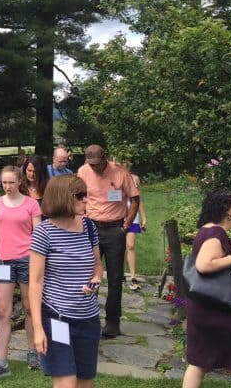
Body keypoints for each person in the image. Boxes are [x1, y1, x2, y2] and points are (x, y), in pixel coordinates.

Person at [29, 175, 103, 388]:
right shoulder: (44, 233)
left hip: (88, 319)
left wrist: (95, 279)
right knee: (67, 382)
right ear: (63, 197)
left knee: (84, 383)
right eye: (80, 196)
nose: (86, 200)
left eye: (86, 195)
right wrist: (38, 328)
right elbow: (35, 282)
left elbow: (97, 266)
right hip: (57, 318)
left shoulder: (89, 227)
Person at [183, 191, 231, 388]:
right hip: (219, 312)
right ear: (227, 211)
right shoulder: (215, 233)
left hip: (204, 308)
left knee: (198, 362)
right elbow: (204, 265)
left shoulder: (206, 230)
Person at [0, 165, 42, 380]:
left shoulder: (32, 204)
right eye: (4, 182)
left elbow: (39, 235)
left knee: (29, 308)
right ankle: (1, 362)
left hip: (27, 261)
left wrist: (38, 263)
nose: (7, 186)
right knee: (3, 312)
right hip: (4, 262)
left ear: (19, 182)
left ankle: (33, 351)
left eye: (11, 182)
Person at [76, 144, 139, 338]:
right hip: (91, 226)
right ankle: (87, 319)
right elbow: (77, 196)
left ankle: (113, 322)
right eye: (91, 163)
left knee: (114, 277)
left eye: (97, 163)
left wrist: (126, 226)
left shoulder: (120, 173)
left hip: (114, 229)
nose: (94, 167)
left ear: (105, 157)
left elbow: (135, 199)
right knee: (87, 275)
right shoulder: (83, 172)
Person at [120, 160, 146, 290]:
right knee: (119, 247)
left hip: (133, 216)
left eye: (126, 167)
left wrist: (144, 217)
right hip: (118, 216)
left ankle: (133, 276)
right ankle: (120, 274)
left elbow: (138, 200)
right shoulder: (114, 180)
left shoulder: (135, 179)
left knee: (130, 245)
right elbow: (111, 198)